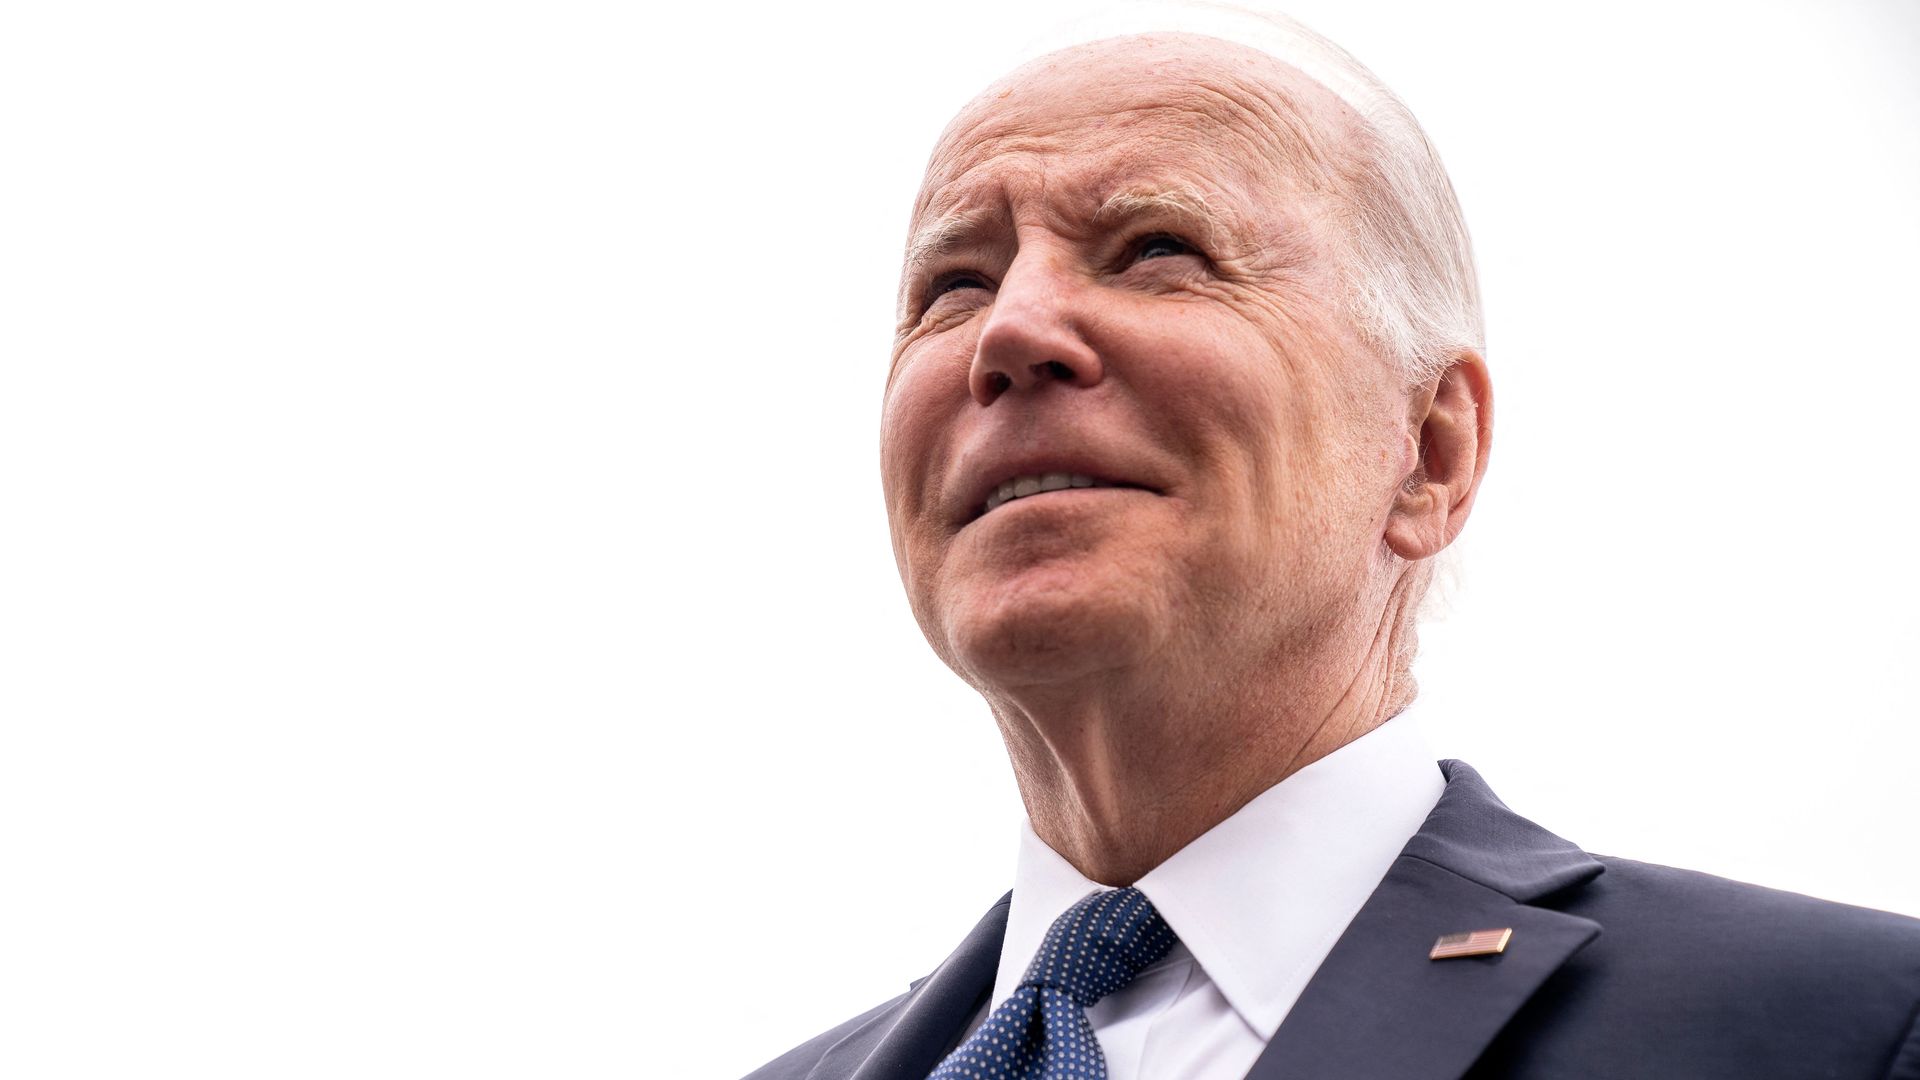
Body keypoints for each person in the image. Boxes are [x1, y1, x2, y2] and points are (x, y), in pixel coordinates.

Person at [745, 10, 1920, 1079]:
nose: (1011, 330)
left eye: (1157, 248)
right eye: (954, 283)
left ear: (1428, 451)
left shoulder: (1841, 1031)